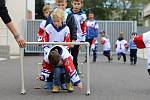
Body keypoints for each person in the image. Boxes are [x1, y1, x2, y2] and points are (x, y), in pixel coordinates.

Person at [66, 0, 87, 74]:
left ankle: (75, 70)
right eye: (75, 4)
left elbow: (84, 28)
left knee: (74, 56)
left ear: (81, 4)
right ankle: (66, 72)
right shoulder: (67, 12)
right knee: (66, 55)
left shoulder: (83, 16)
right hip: (67, 37)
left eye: (78, 4)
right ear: (72, 3)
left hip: (77, 38)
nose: (76, 5)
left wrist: (82, 41)